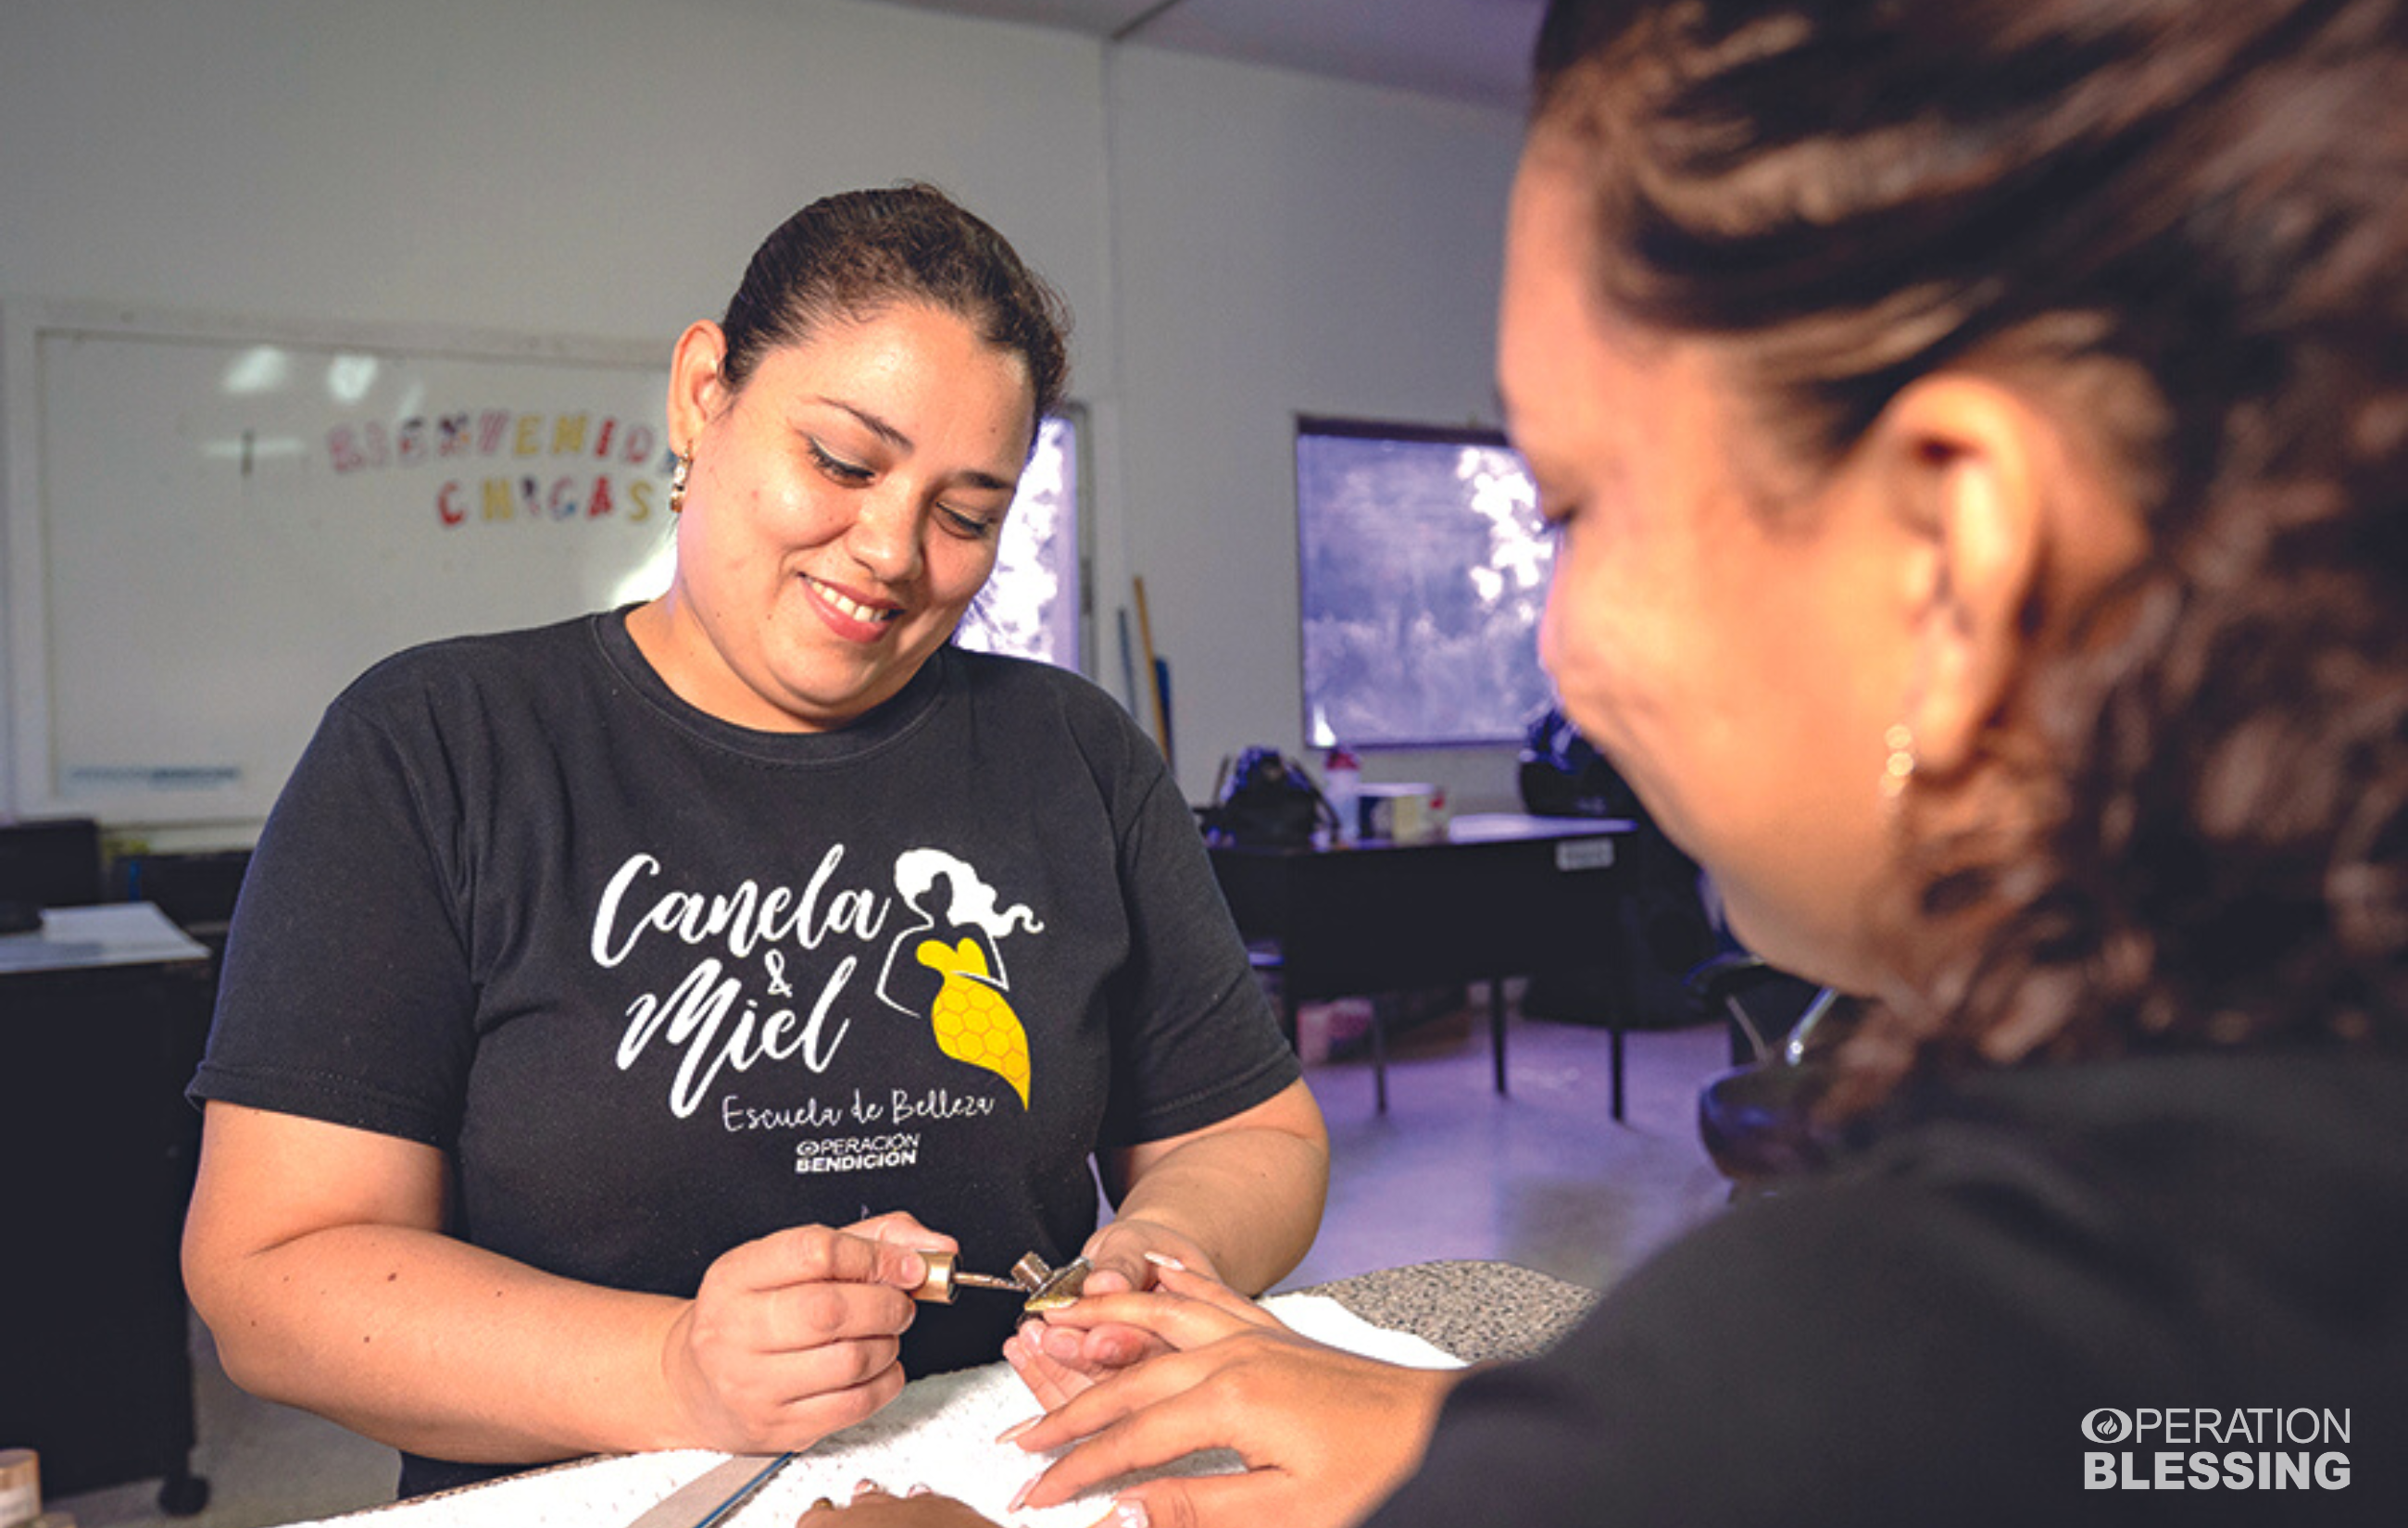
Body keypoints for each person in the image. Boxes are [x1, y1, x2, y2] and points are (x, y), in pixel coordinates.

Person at [797, 2, 2408, 1524]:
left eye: (1573, 507)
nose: (1559, 652)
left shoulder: (1899, 1340)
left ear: (1951, 549)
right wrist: (1498, 1442)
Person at [178, 182, 1328, 1498]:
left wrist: (1157, 1253)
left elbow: (1261, 1139)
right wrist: (674, 1369)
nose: (891, 549)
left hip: (994, 1492)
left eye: (966, 515)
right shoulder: (436, 746)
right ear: (702, 396)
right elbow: (272, 1275)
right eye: (842, 461)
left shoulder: (1073, 753)